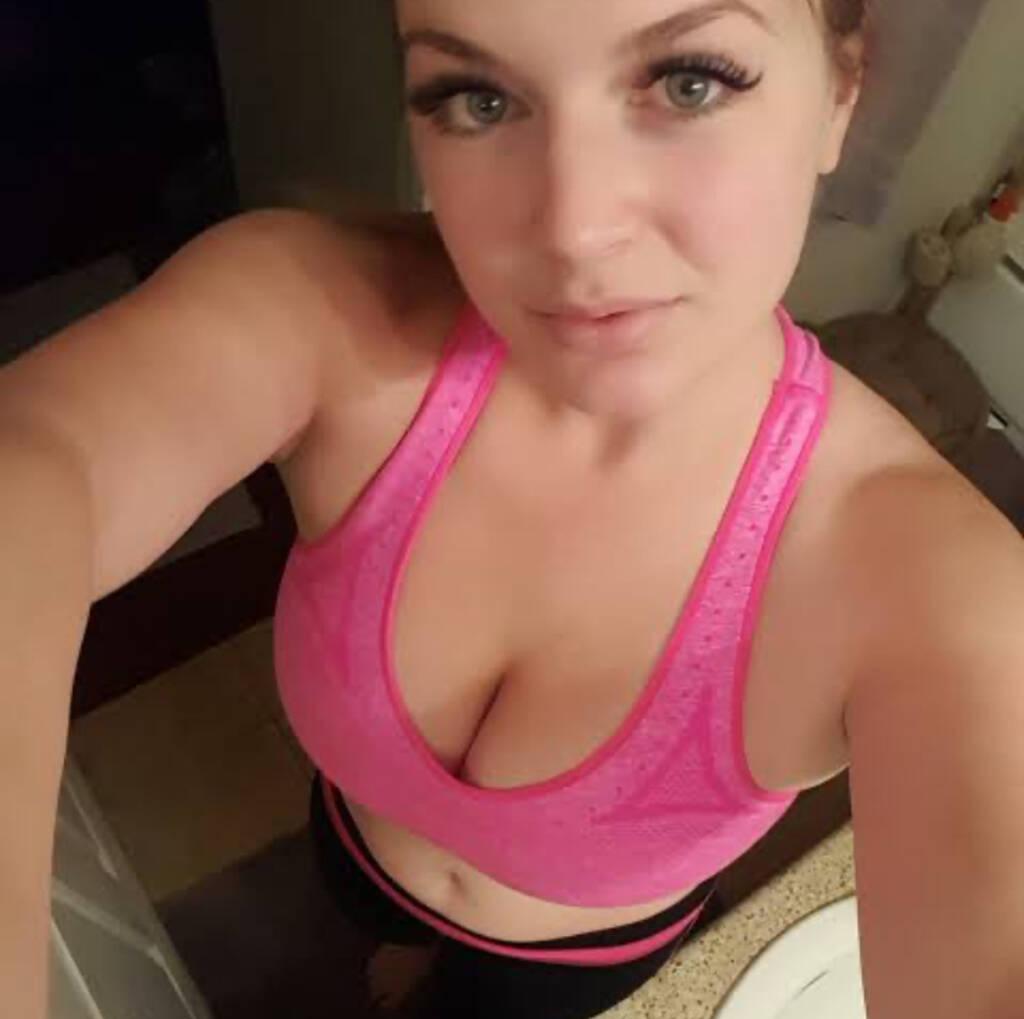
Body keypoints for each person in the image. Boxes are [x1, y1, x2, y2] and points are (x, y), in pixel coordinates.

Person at [3, 1, 1023, 1018]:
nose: (574, 231)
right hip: (359, 846)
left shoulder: (921, 575)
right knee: (364, 912)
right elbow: (41, 462)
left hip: (568, 959)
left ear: (841, 88)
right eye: (478, 98)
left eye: (690, 83)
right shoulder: (320, 309)